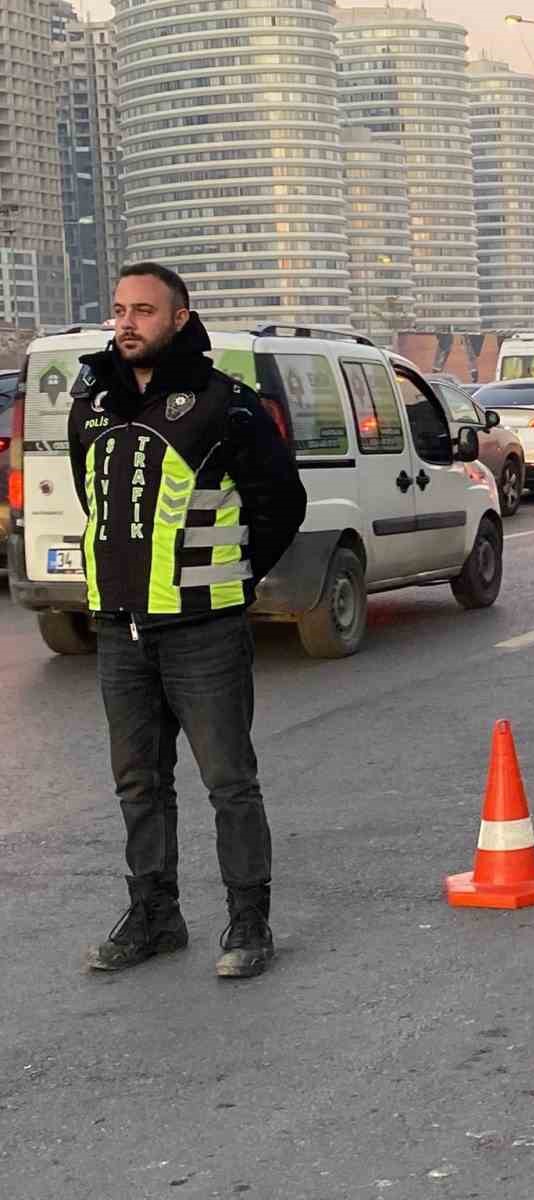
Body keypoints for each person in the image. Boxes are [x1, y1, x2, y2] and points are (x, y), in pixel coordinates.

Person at [70, 263, 307, 978]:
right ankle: (154, 915)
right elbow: (100, 503)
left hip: (204, 629)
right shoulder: (92, 403)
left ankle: (248, 924)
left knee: (229, 782)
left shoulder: (225, 403)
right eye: (118, 310)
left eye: (143, 310)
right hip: (120, 629)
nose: (127, 323)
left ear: (178, 318)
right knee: (138, 782)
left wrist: (229, 578)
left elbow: (280, 504)